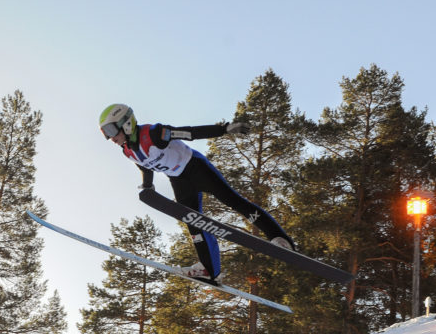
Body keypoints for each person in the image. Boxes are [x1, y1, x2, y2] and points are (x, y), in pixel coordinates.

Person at [99, 103, 295, 283]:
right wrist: (148, 186)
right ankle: (210, 269)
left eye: (110, 131)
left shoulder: (154, 133)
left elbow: (189, 133)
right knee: (193, 223)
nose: (110, 138)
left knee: (233, 201)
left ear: (125, 123)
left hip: (196, 168)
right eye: (105, 134)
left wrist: (224, 129)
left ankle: (279, 238)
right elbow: (145, 167)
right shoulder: (127, 151)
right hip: (178, 179)